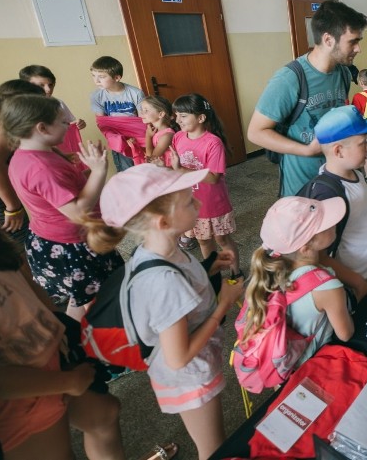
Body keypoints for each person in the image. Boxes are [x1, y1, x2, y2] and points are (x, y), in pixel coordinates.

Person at [85, 163, 243, 460]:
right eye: (188, 201)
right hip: (190, 377)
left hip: (191, 366)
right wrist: (224, 302)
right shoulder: (163, 282)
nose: (198, 202)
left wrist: (210, 266)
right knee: (214, 447)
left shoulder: (159, 250)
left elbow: (181, 289)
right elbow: (179, 356)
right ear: (162, 221)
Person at [0, 230, 174, 460]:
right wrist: (68, 382)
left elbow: (26, 282)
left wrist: (65, 336)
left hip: (53, 362)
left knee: (104, 414)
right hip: (23, 397)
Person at [2, 94, 123, 321]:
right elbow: (77, 212)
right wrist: (98, 171)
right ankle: (100, 342)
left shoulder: (28, 154)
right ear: (42, 128)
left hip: (52, 238)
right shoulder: (41, 167)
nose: (68, 126)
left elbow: (60, 193)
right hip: (71, 245)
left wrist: (86, 172)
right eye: (63, 122)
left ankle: (78, 340)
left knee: (80, 299)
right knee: (96, 299)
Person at [248, 0, 367, 197]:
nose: (358, 49)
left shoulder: (343, 74)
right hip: (302, 188)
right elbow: (255, 133)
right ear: (328, 40)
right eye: (353, 41)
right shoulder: (290, 78)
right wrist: (307, 151)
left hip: (335, 180)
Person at [239, 196, 354, 367]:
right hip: (309, 365)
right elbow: (345, 334)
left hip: (283, 361)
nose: (333, 223)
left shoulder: (273, 268)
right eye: (325, 225)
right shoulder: (328, 287)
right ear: (306, 248)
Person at [303, 106, 367, 300]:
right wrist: (356, 282)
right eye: (363, 143)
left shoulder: (355, 173)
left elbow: (362, 216)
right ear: (339, 151)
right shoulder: (328, 195)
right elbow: (320, 255)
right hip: (354, 281)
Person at [170, 93, 239, 275]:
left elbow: (213, 177)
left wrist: (181, 169)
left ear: (201, 118)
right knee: (203, 241)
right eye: (176, 115)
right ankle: (213, 275)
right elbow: (176, 168)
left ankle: (236, 271)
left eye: (183, 116)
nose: (178, 120)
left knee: (222, 239)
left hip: (212, 203)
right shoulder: (178, 137)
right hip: (191, 202)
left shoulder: (213, 143)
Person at [0, 80, 44, 241]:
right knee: (15, 243)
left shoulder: (12, 124)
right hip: (4, 198)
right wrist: (13, 207)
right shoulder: (4, 129)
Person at [89, 56, 145, 172]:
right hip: (117, 139)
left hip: (139, 138)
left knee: (143, 169)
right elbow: (102, 122)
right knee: (126, 172)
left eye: (102, 77)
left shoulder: (135, 93)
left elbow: (143, 119)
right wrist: (116, 138)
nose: (96, 81)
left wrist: (137, 139)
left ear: (117, 77)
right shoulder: (96, 96)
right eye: (93, 76)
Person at [20, 65, 87, 131]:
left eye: (51, 85)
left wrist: (78, 124)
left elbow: (67, 125)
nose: (48, 89)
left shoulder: (58, 103)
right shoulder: (20, 108)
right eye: (41, 85)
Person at [137, 95, 177, 166]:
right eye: (142, 110)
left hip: (168, 172)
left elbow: (150, 160)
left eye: (146, 110)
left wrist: (148, 137)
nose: (141, 113)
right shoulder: (155, 132)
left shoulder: (167, 135)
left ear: (161, 114)